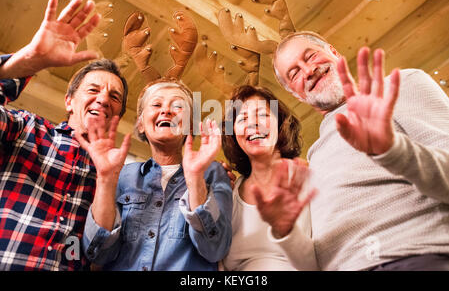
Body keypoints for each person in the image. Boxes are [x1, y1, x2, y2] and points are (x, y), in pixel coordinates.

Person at [268, 30, 449, 270]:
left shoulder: (400, 86)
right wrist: (284, 232)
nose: (308, 70)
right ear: (296, 94)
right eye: (295, 73)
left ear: (334, 52)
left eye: (310, 56)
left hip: (414, 257)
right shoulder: (315, 157)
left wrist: (393, 151)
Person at [0, 0, 130, 270]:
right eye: (93, 90)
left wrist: (107, 180)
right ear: (69, 101)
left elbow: (101, 253)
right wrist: (28, 61)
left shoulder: (119, 176)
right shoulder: (24, 127)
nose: (104, 99)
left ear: (117, 115)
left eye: (114, 97)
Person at [80, 78, 233, 271]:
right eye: (156, 104)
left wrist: (194, 179)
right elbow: (98, 253)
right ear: (141, 124)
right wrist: (105, 179)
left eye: (177, 105)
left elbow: (215, 249)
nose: (166, 110)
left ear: (191, 126)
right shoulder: (123, 175)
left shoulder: (213, 173)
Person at [220, 84, 317, 271]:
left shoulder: (310, 178)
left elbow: (325, 260)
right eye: (242, 118)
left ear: (280, 123)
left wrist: (286, 230)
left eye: (262, 114)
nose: (252, 123)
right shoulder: (229, 192)